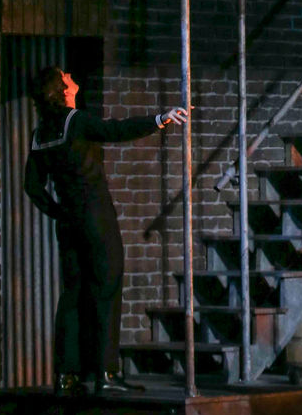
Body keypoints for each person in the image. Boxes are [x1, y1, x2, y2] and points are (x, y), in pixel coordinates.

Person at [24, 66, 187, 397]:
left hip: (68, 222)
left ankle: (67, 375)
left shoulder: (41, 133)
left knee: (72, 294)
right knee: (106, 288)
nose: (70, 74)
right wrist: (160, 119)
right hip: (95, 217)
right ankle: (105, 373)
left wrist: (56, 211)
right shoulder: (76, 120)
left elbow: (32, 185)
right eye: (65, 75)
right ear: (63, 89)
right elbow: (116, 130)